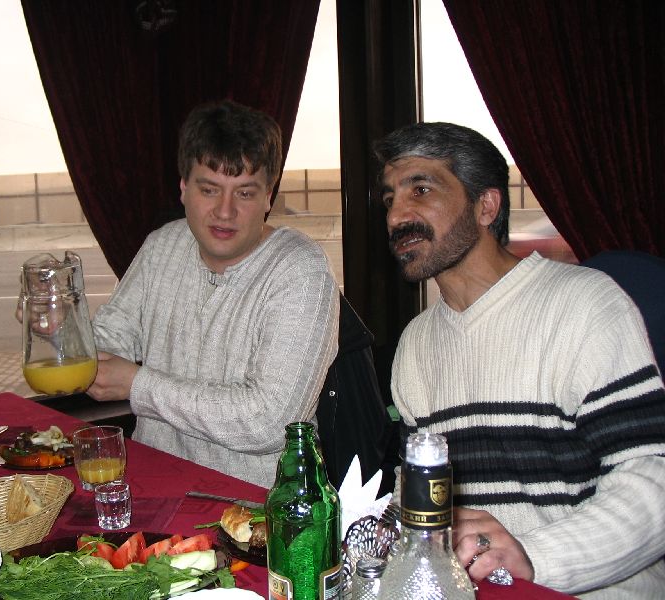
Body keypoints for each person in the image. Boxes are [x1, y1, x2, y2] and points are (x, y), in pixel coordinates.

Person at [374, 122, 665, 598]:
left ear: (486, 206)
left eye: (420, 190)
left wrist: (534, 556)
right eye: (390, 199)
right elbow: (419, 496)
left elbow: (654, 476)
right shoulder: (416, 344)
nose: (395, 216)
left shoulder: (584, 305)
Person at [85, 100, 340, 488]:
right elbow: (110, 339)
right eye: (209, 189)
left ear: (268, 197)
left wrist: (139, 385)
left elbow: (272, 422)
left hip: (256, 505)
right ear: (184, 188)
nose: (225, 211)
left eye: (245, 193)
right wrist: (61, 329)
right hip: (154, 486)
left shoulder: (300, 270)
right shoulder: (162, 247)